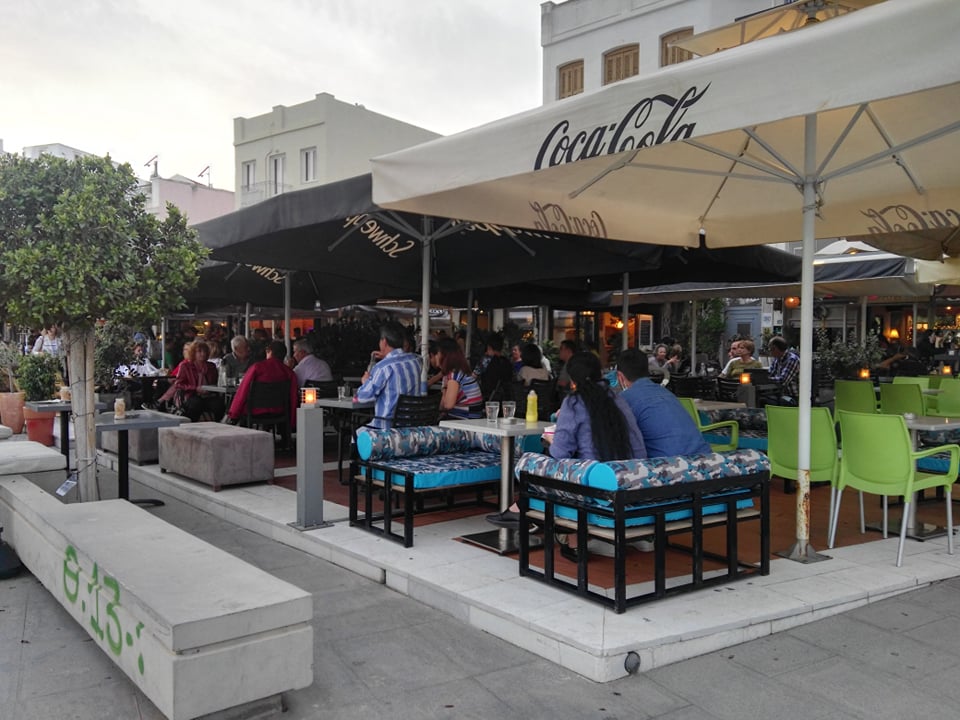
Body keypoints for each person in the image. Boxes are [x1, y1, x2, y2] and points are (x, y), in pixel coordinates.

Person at [486, 352, 645, 534]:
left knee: (529, 462)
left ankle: (522, 509)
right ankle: (521, 508)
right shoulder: (618, 400)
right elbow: (637, 447)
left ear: (573, 380)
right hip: (624, 479)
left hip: (592, 485)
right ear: (600, 373)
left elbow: (560, 453)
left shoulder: (575, 402)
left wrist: (550, 439)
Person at [617, 349, 710, 458]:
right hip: (707, 458)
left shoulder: (624, 400)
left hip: (669, 464)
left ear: (620, 376)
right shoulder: (667, 393)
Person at [354, 321, 421, 428]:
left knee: (357, 434)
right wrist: (387, 357)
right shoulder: (415, 362)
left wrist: (365, 381)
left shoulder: (382, 367)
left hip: (386, 428)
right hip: (410, 427)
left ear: (384, 341)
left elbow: (362, 398)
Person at [226, 340, 298, 428]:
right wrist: (292, 422)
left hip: (255, 411)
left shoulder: (257, 368)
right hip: (279, 411)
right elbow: (293, 397)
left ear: (269, 351)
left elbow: (243, 391)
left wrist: (234, 414)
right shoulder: (289, 373)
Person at [154, 340, 222, 421]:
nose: (203, 354)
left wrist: (210, 389)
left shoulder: (211, 366)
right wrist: (195, 388)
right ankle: (191, 424)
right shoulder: (185, 365)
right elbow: (179, 384)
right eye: (199, 351)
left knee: (219, 404)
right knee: (196, 403)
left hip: (208, 395)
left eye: (205, 351)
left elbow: (215, 382)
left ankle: (219, 425)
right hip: (190, 394)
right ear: (193, 353)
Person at [437, 338, 483, 419]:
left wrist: (444, 389)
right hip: (472, 417)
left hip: (466, 419)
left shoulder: (454, 376)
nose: (436, 356)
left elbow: (447, 405)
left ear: (444, 356)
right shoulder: (461, 372)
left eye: (437, 353)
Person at [473, 332, 514, 401]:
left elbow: (473, 377)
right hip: (505, 398)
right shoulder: (507, 362)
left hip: (487, 398)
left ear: (489, 347)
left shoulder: (486, 360)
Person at [768, 336, 801, 403]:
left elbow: (783, 380)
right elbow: (771, 373)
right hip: (780, 394)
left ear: (775, 348)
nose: (769, 351)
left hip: (793, 396)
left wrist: (767, 379)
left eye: (770, 348)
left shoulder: (792, 359)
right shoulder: (777, 359)